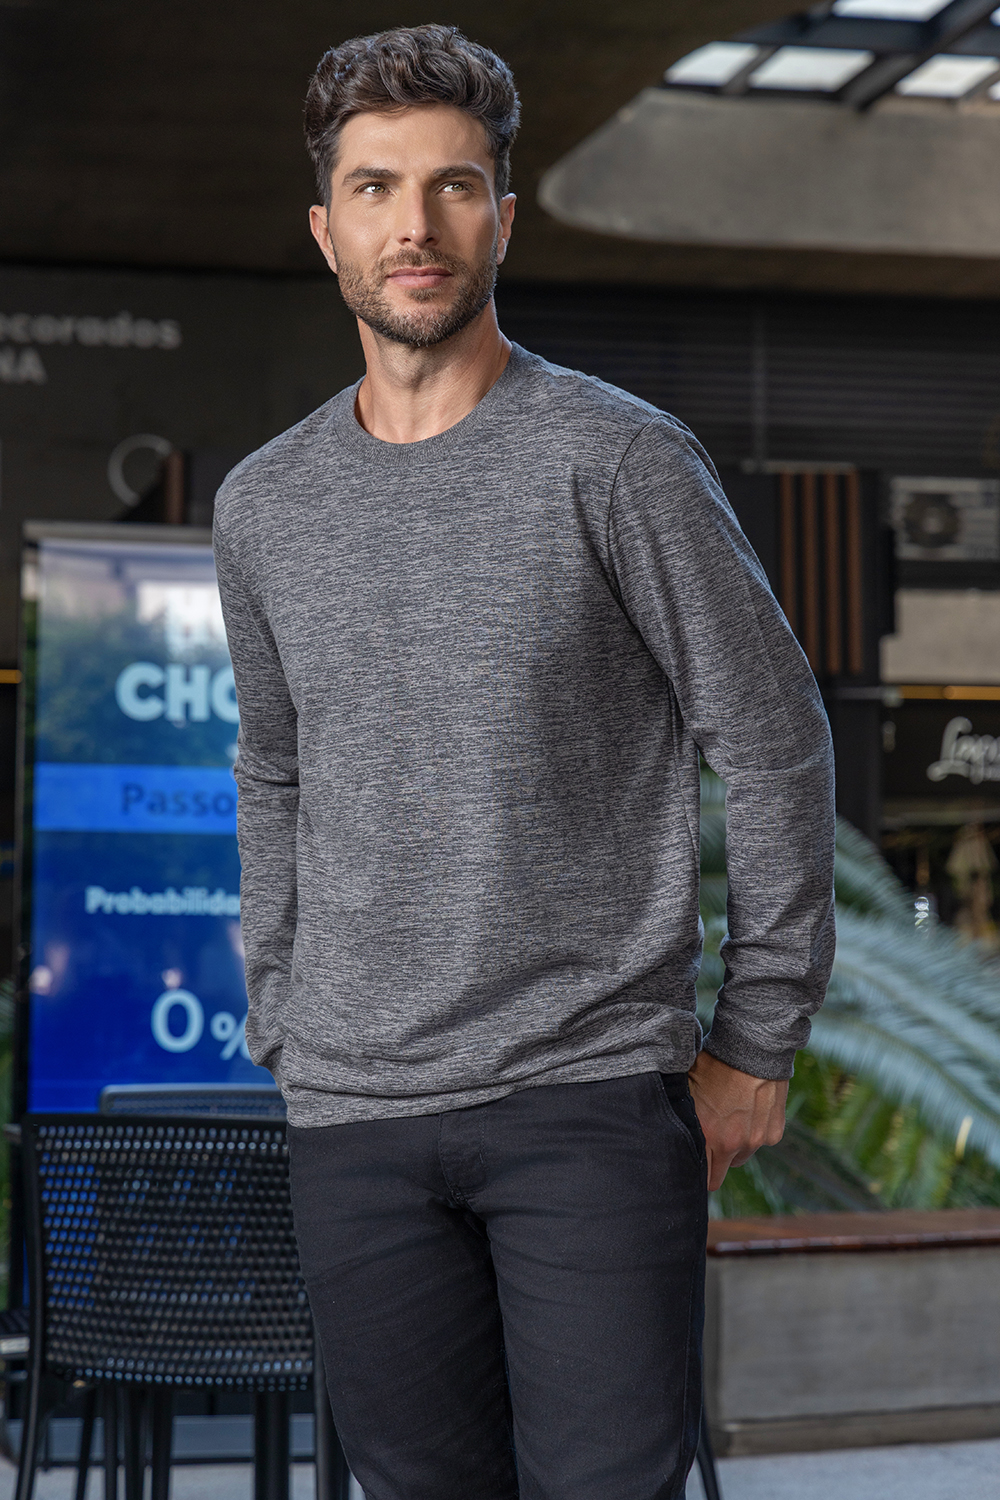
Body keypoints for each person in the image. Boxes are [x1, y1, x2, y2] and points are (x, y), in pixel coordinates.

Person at [212, 23, 836, 1500]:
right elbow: (274, 768)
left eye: (453, 186)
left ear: (504, 215)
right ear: (326, 229)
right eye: (375, 188)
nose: (414, 226)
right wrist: (284, 1003)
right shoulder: (265, 504)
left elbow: (773, 738)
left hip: (585, 1098)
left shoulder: (618, 461)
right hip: (353, 1112)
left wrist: (757, 1038)